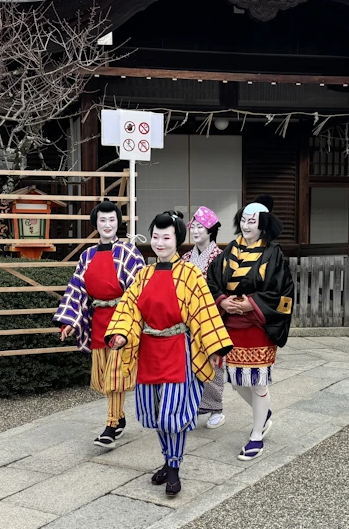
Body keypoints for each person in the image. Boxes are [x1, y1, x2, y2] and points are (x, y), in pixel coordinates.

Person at [106, 211, 232, 496]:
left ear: (178, 240)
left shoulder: (190, 275)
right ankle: (167, 458)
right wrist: (120, 333)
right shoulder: (143, 275)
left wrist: (213, 348)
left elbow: (203, 313)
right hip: (149, 349)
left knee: (172, 413)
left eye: (167, 237)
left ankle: (173, 467)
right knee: (155, 412)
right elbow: (129, 309)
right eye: (156, 237)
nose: (160, 243)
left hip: (179, 349)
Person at [207, 196, 294, 462]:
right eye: (243, 220)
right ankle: (264, 412)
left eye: (252, 221)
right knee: (235, 380)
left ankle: (257, 435)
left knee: (257, 382)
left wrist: (250, 304)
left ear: (264, 224)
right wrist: (224, 301)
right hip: (231, 325)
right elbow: (212, 282)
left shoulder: (273, 254)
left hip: (258, 325)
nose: (246, 226)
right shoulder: (228, 251)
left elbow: (283, 291)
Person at [54, 199, 145, 448]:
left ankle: (111, 425)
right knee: (104, 377)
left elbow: (139, 291)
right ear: (96, 223)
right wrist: (70, 321)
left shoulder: (129, 253)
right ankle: (121, 418)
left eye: (112, 220)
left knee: (116, 374)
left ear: (119, 223)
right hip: (98, 321)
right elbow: (78, 291)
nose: (107, 225)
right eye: (102, 220)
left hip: (122, 319)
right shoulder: (87, 255)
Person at [182, 206, 227, 429]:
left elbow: (222, 289)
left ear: (210, 230)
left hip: (212, 317)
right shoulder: (186, 257)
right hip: (188, 319)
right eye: (194, 227)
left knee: (214, 361)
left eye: (200, 227)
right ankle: (194, 406)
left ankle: (215, 407)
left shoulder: (220, 257)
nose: (196, 231)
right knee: (190, 361)